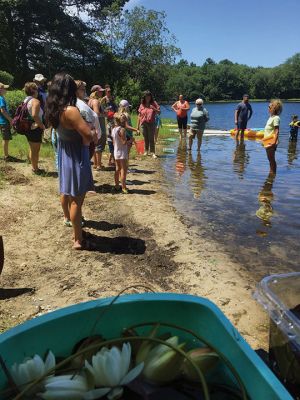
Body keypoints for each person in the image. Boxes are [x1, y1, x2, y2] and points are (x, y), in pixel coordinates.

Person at [45, 73, 95, 250]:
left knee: (72, 197)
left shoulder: (53, 109)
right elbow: (88, 135)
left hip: (65, 154)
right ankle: (78, 240)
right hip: (76, 156)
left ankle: (77, 234)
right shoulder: (71, 111)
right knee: (76, 201)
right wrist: (92, 133)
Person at [23, 82, 45, 174]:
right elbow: (35, 115)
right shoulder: (35, 101)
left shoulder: (26, 100)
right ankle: (36, 169)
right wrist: (41, 126)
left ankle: (33, 166)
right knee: (36, 150)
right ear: (34, 90)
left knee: (32, 148)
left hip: (28, 127)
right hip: (35, 128)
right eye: (37, 89)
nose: (38, 91)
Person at [75, 81, 100, 161]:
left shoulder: (81, 102)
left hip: (86, 139)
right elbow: (87, 124)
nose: (85, 91)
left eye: (85, 89)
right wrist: (94, 134)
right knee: (82, 165)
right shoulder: (80, 104)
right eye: (82, 89)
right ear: (75, 90)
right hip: (85, 140)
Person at [111, 113, 131, 194]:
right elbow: (123, 142)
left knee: (117, 169)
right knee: (123, 169)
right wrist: (130, 140)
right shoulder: (122, 130)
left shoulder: (114, 129)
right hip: (122, 152)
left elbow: (113, 142)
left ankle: (116, 185)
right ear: (123, 121)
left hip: (116, 151)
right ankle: (123, 187)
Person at [137, 90, 160, 158]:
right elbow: (139, 115)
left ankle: (153, 152)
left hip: (151, 123)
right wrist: (137, 126)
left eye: (149, 96)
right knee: (145, 137)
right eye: (146, 96)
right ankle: (146, 151)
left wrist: (154, 108)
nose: (148, 98)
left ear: (150, 97)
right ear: (144, 97)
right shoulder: (142, 104)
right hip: (143, 123)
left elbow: (159, 112)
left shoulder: (154, 103)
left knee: (151, 138)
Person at [88, 85, 106, 170]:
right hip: (98, 124)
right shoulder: (95, 101)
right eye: (100, 91)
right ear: (95, 92)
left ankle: (95, 163)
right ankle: (98, 164)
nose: (102, 92)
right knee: (100, 143)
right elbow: (96, 113)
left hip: (92, 124)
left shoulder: (89, 101)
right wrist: (106, 114)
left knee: (95, 144)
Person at [263, 99, 282, 175]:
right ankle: (271, 172)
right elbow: (268, 130)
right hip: (267, 141)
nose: (268, 108)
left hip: (271, 142)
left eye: (269, 107)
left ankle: (273, 173)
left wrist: (274, 142)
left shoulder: (276, 118)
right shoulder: (271, 117)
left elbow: (277, 130)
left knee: (271, 159)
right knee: (269, 159)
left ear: (274, 108)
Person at [101, 86, 118, 166]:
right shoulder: (103, 99)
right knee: (110, 136)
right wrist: (107, 112)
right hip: (108, 119)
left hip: (113, 117)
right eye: (108, 91)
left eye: (110, 91)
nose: (109, 92)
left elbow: (115, 107)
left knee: (114, 136)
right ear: (106, 92)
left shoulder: (112, 99)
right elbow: (102, 108)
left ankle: (112, 159)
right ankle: (112, 159)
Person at [0, 82, 13, 161]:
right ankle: (6, 156)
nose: (6, 90)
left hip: (2, 121)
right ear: (0, 90)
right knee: (6, 139)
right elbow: (3, 111)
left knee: (5, 139)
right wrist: (10, 120)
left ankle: (6, 155)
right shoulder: (1, 98)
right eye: (5, 88)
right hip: (4, 122)